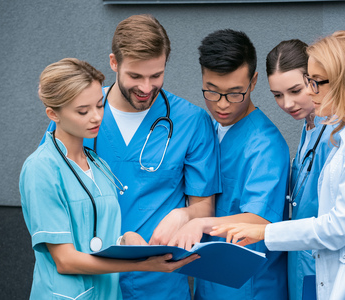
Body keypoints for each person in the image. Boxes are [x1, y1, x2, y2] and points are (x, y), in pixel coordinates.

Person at [211, 30, 345, 299]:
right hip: (326, 266)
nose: (310, 92)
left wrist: (264, 231)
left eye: (315, 83)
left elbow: (339, 227)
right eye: (309, 82)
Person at [42, 15, 221, 299]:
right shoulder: (76, 115)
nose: (147, 87)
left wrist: (183, 214)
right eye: (135, 76)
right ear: (114, 63)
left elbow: (204, 207)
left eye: (156, 75)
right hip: (90, 280)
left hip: (159, 284)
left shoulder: (191, 121)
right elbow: (52, 197)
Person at [20, 58, 199, 300]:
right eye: (83, 111)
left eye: (100, 105)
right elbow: (65, 261)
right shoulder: (42, 169)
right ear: (54, 114)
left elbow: (100, 234)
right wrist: (142, 265)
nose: (96, 117)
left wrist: (127, 239)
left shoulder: (98, 165)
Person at [178, 29, 290, 300]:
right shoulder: (209, 130)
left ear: (253, 82)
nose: (222, 105)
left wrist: (200, 223)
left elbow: (260, 219)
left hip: (249, 286)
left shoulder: (266, 145)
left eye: (234, 93)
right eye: (212, 92)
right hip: (210, 281)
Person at [266, 39, 336, 300]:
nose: (287, 103)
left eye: (295, 90)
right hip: (300, 260)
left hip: (323, 262)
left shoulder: (336, 132)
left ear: (314, 81)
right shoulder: (307, 126)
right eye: (277, 95)